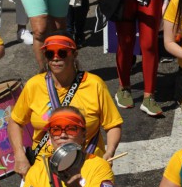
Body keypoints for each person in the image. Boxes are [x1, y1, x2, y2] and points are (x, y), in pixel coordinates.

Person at [8, 33, 123, 176]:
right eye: (50, 54)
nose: (56, 58)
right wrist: (19, 155)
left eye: (62, 53)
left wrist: (110, 151)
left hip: (88, 165)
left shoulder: (94, 84)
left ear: (74, 55)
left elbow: (113, 124)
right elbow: (15, 122)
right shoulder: (34, 85)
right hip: (45, 167)